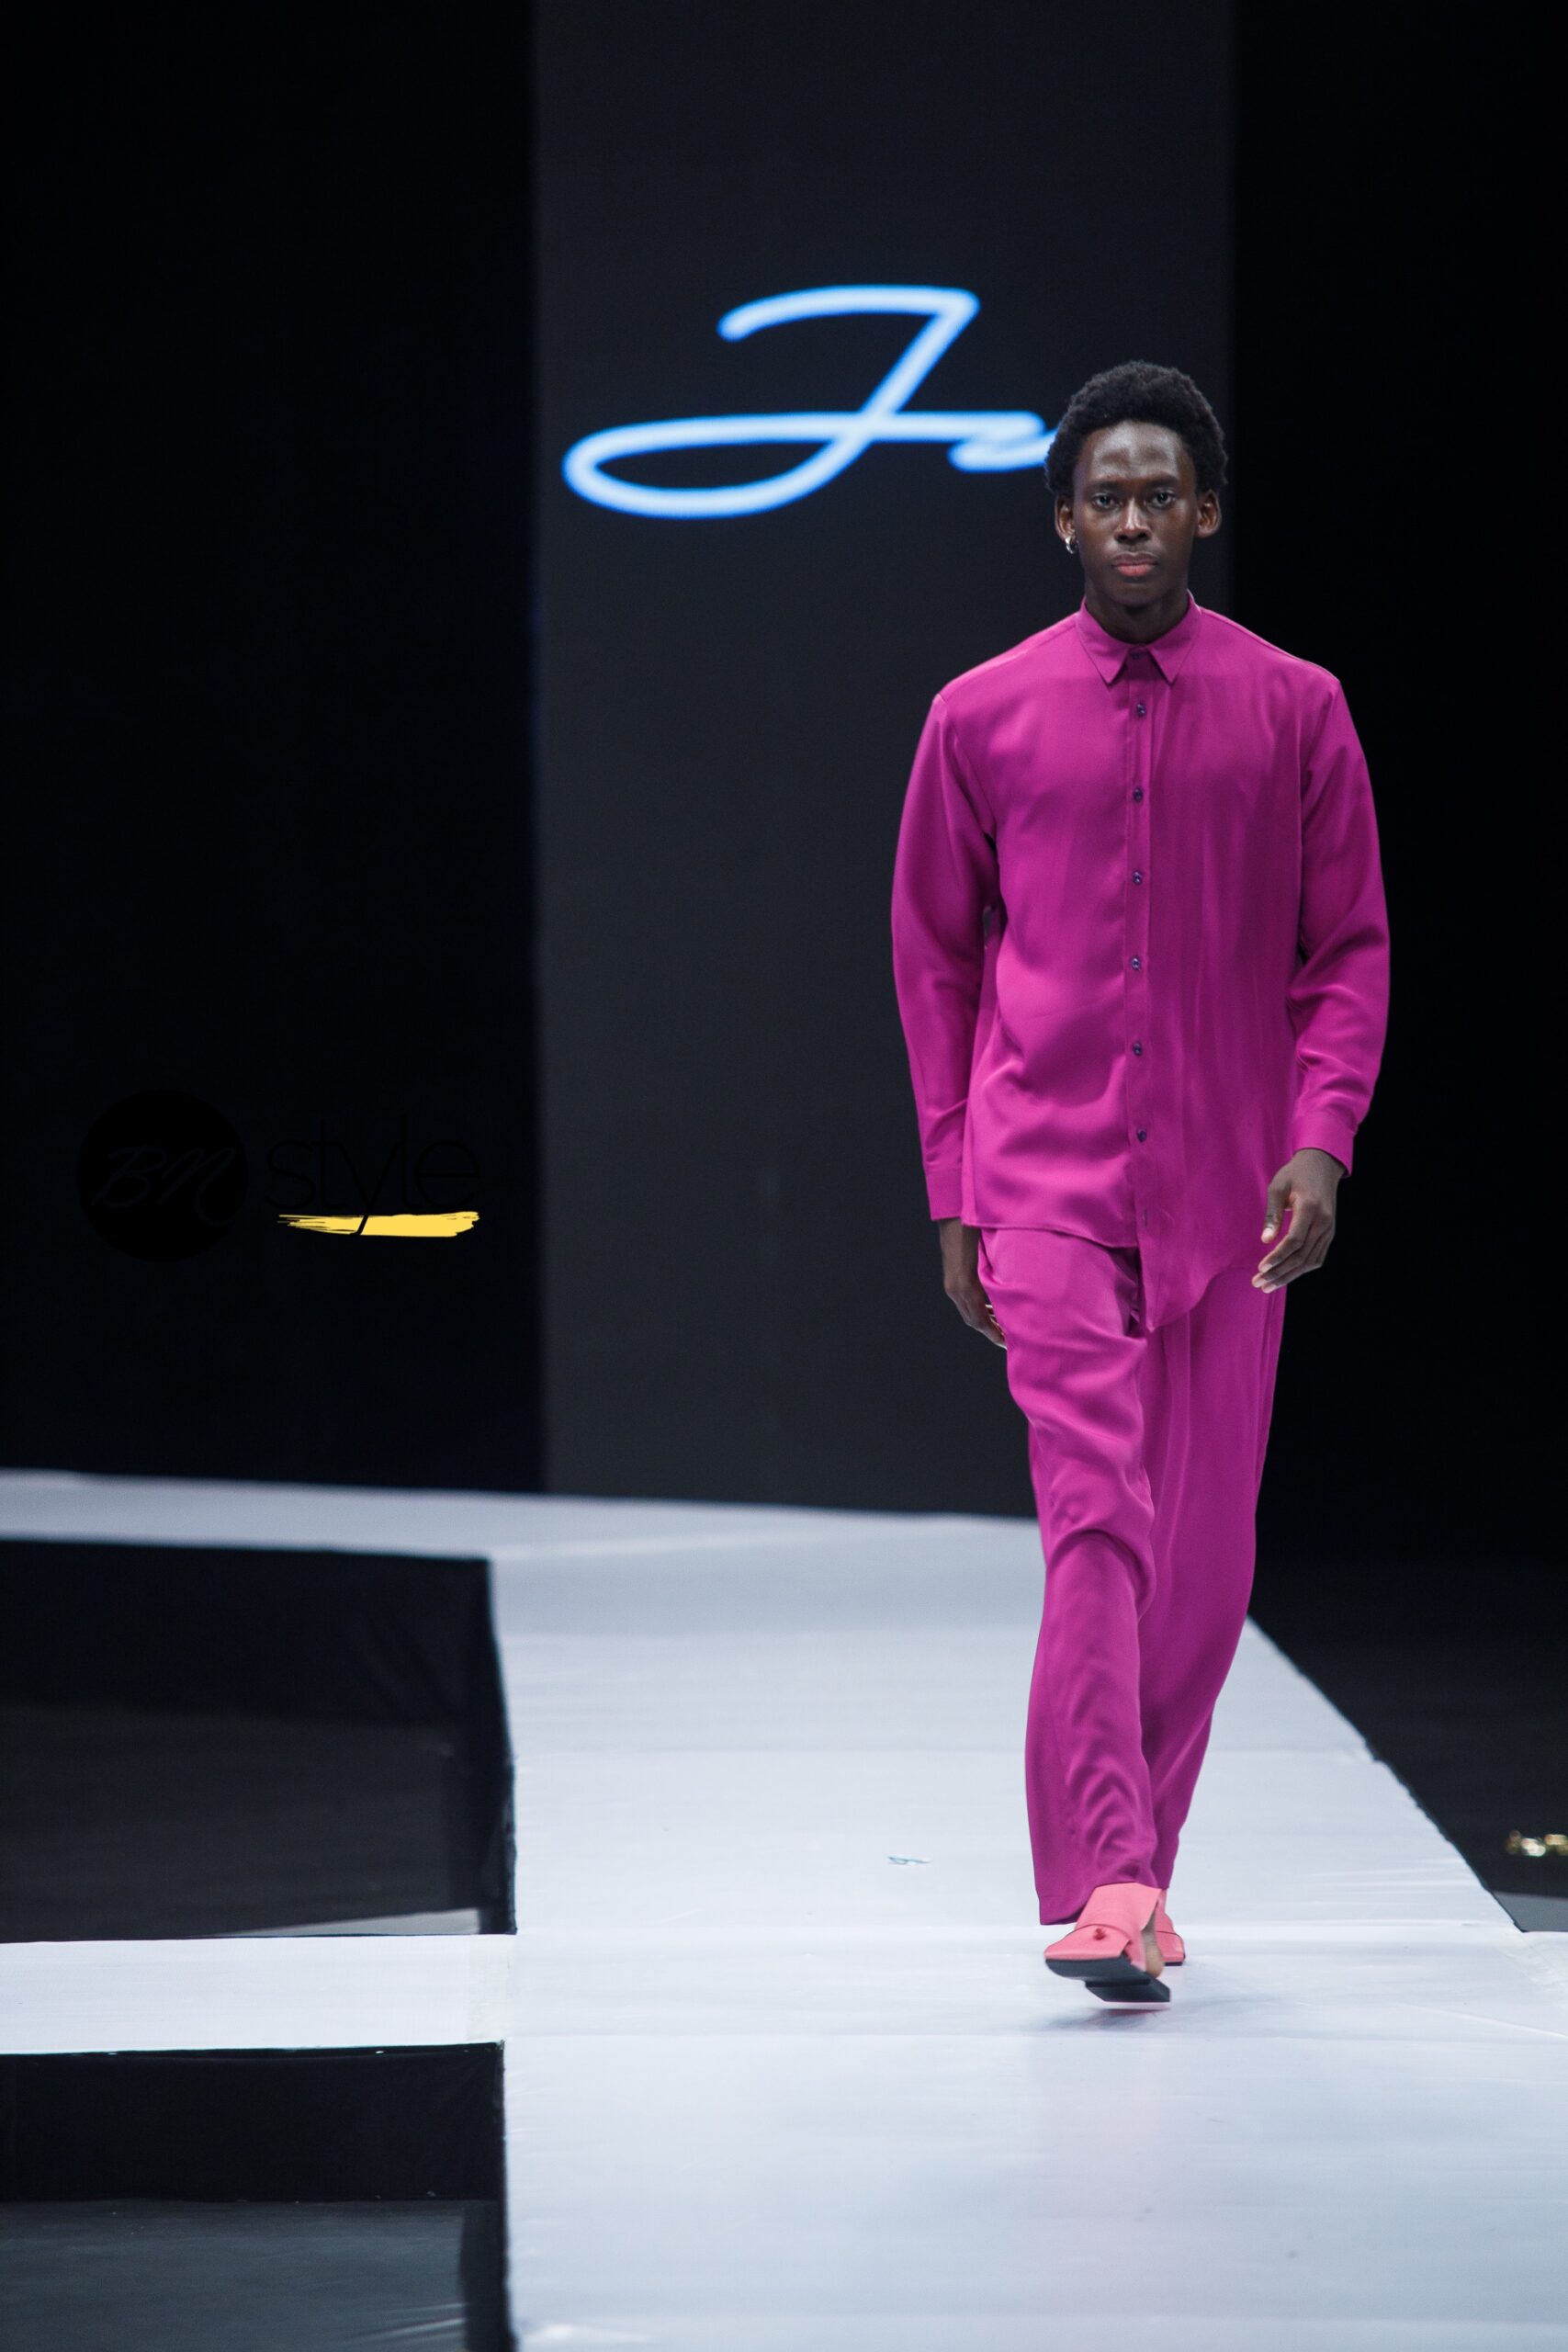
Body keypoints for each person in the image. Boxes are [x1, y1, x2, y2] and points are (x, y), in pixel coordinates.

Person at [889, 361, 1390, 2005]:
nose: (1130, 520)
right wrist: (955, 1187)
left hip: (1235, 1197)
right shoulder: (978, 716)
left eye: (1157, 494)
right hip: (1042, 1177)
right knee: (1095, 1516)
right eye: (1103, 496)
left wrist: (1321, 1137)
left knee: (1209, 1565)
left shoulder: (1297, 708)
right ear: (1063, 519)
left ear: (1205, 511)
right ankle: (1106, 1880)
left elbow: (1346, 952)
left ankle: (1141, 1879)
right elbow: (935, 964)